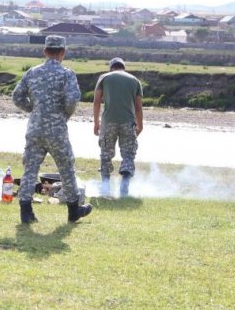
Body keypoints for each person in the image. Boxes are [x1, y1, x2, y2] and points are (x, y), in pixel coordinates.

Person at [12, 35, 93, 224]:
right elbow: (72, 100)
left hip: (35, 128)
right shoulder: (67, 74)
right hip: (57, 129)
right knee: (66, 168)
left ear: (45, 51)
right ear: (63, 52)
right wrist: (64, 115)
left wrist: (32, 109)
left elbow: (17, 97)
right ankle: (74, 210)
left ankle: (26, 211)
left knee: (30, 169)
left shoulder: (32, 73)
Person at [93, 57, 143, 197]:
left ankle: (105, 189)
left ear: (111, 67)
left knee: (105, 154)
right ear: (124, 67)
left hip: (108, 122)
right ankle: (124, 188)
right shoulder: (135, 80)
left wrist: (96, 122)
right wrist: (140, 125)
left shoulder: (104, 78)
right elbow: (138, 108)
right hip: (129, 122)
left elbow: (97, 102)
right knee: (128, 155)